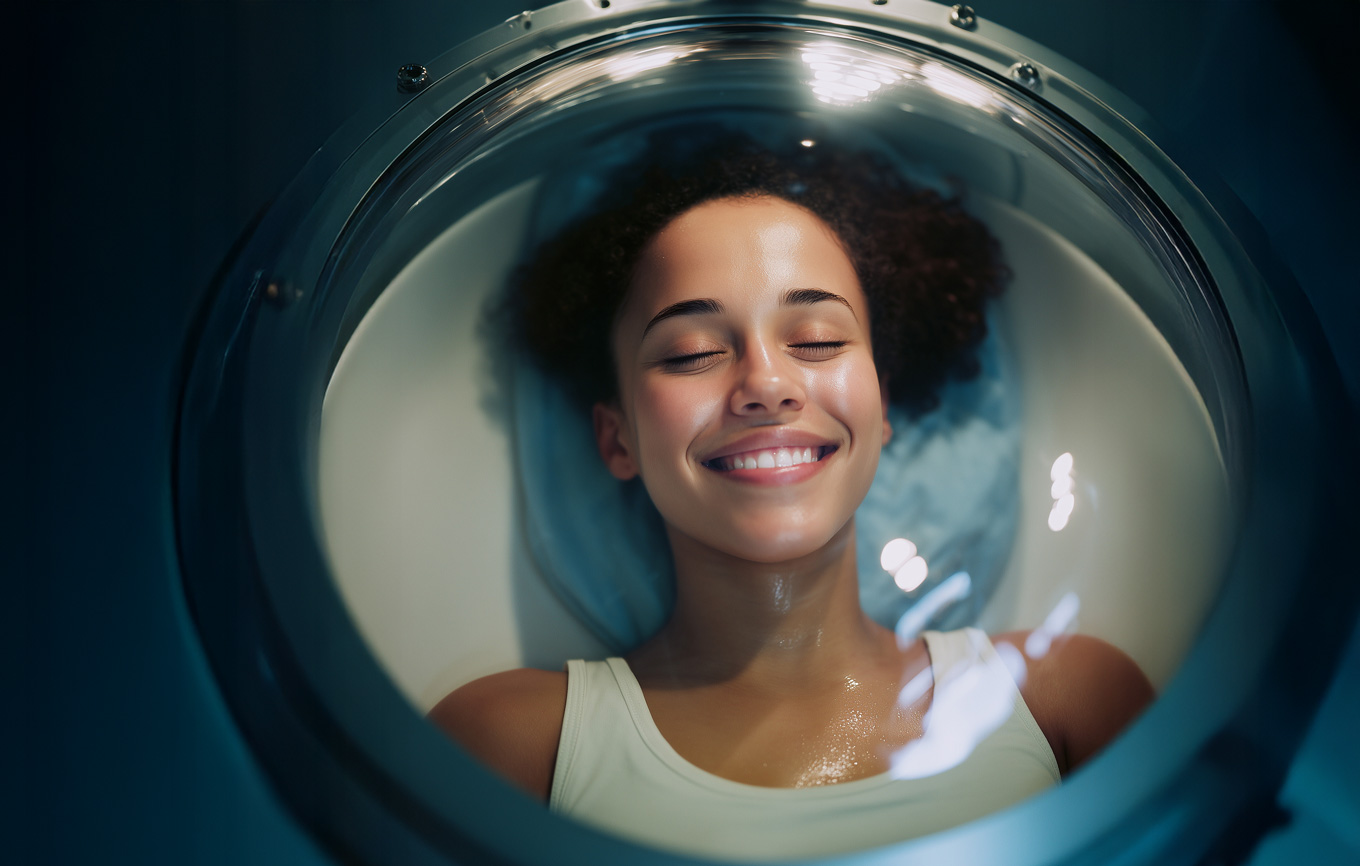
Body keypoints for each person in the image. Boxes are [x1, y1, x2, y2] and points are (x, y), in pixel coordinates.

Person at [429, 133, 1153, 857]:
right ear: (617, 439)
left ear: (882, 407)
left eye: (816, 339)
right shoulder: (510, 748)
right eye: (691, 352)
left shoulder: (1065, 699)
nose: (767, 384)